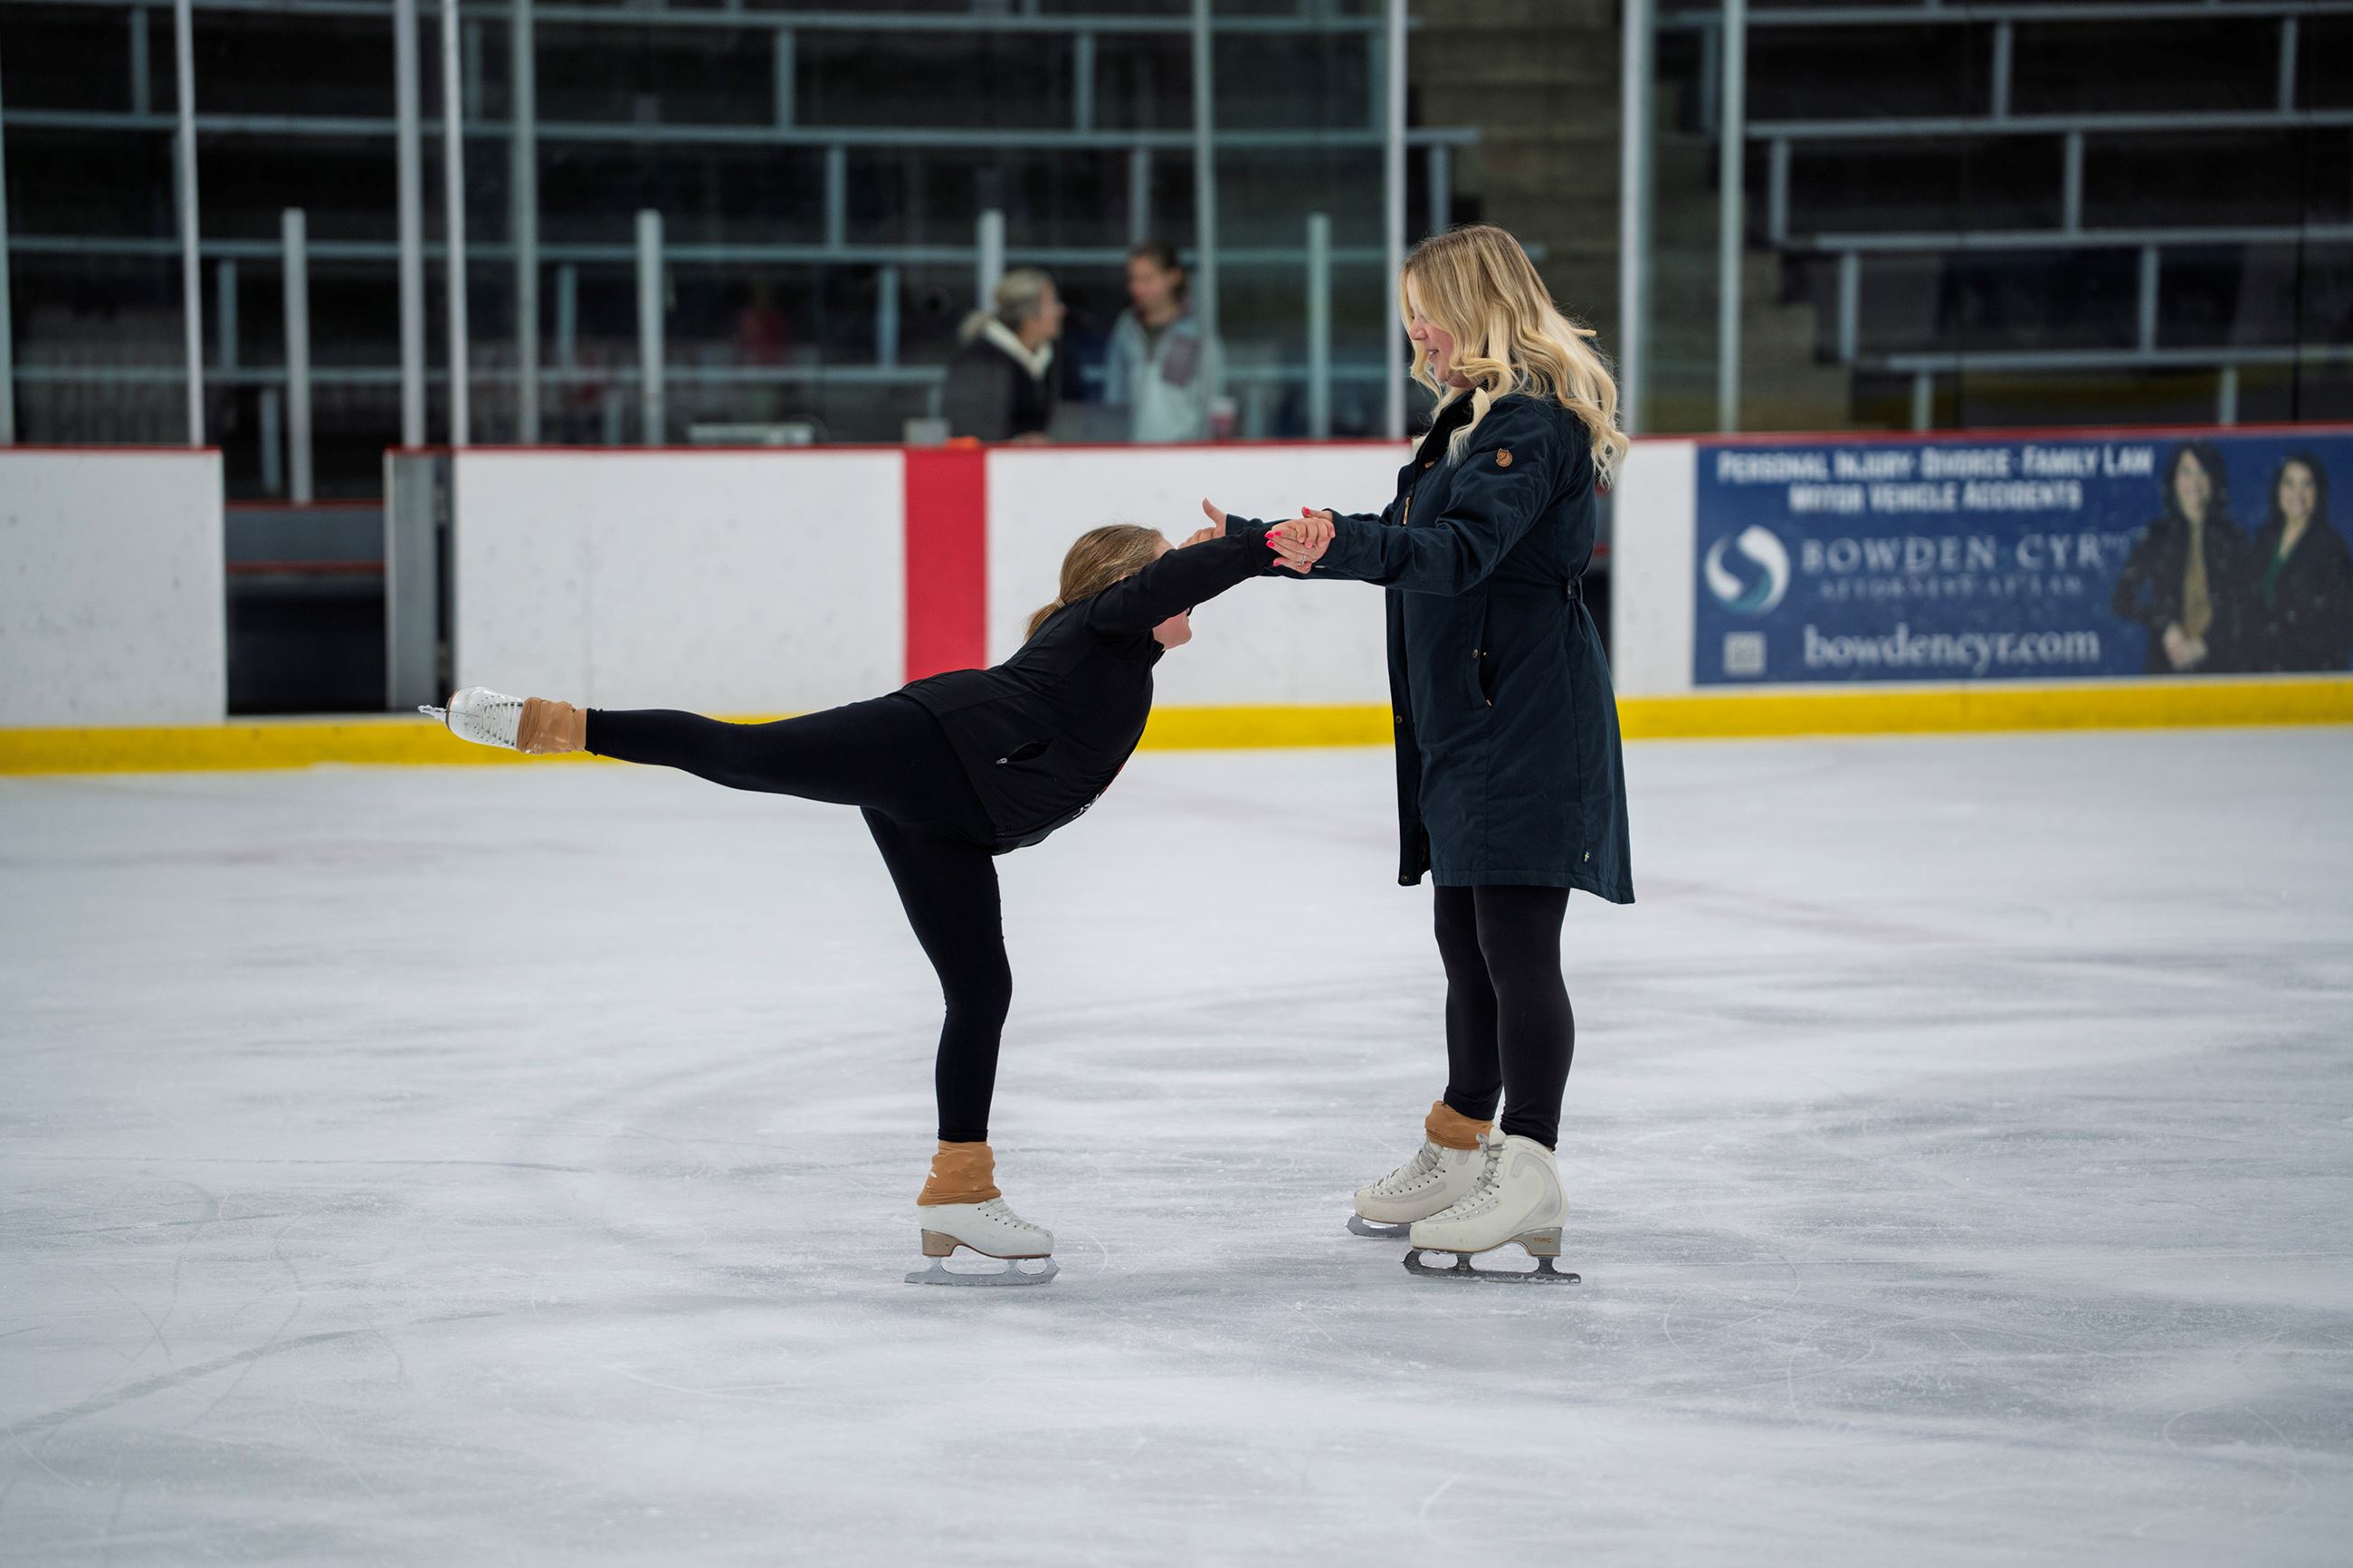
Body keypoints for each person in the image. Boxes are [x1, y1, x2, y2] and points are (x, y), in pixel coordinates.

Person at [430, 517, 1300, 1285]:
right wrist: (1250, 544)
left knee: (981, 991)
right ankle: (549, 723)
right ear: (1125, 585)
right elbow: (1164, 586)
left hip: (956, 819)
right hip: (926, 747)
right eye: (1159, 571)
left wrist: (1215, 557)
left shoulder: (1121, 651)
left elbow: (1173, 590)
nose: (1186, 589)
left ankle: (960, 1189)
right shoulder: (1098, 626)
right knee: (746, 755)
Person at [1227, 223, 1632, 1282]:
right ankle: (1461, 1145)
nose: (1416, 327)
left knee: (1513, 943)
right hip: (1472, 716)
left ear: (1477, 302)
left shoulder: (1531, 425)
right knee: (1466, 934)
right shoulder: (1464, 424)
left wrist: (1343, 550)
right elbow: (1408, 532)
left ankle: (1530, 1160)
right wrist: (1279, 541)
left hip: (1525, 716)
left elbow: (1454, 555)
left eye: (1428, 304)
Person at [2110, 442, 2246, 675]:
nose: (2195, 482)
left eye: (2203, 472)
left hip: (2224, 668)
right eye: (2186, 472)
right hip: (2166, 667)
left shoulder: (2234, 539)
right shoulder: (2157, 537)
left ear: (2215, 479)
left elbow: (2247, 604)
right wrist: (2166, 627)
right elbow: (2122, 598)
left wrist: (2207, 645)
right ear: (2174, 480)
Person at [2233, 453, 2353, 672]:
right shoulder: (2264, 539)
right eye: (2289, 483)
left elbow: (2340, 627)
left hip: (2305, 673)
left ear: (2318, 492)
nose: (2297, 493)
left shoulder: (2332, 548)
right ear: (2278, 490)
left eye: (2306, 484)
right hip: (2259, 670)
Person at [1101, 240, 1223, 444]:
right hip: (1131, 454)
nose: (1137, 288)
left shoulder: (1198, 333)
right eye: (1133, 280)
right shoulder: (1126, 328)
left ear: (1173, 277)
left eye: (1147, 279)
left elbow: (1213, 400)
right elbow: (1114, 396)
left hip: (1185, 455)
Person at [941, 268, 1064, 442]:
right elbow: (965, 429)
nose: (1060, 310)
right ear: (1029, 317)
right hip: (996, 465)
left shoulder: (1058, 355)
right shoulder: (978, 360)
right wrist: (1016, 442)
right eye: (1052, 303)